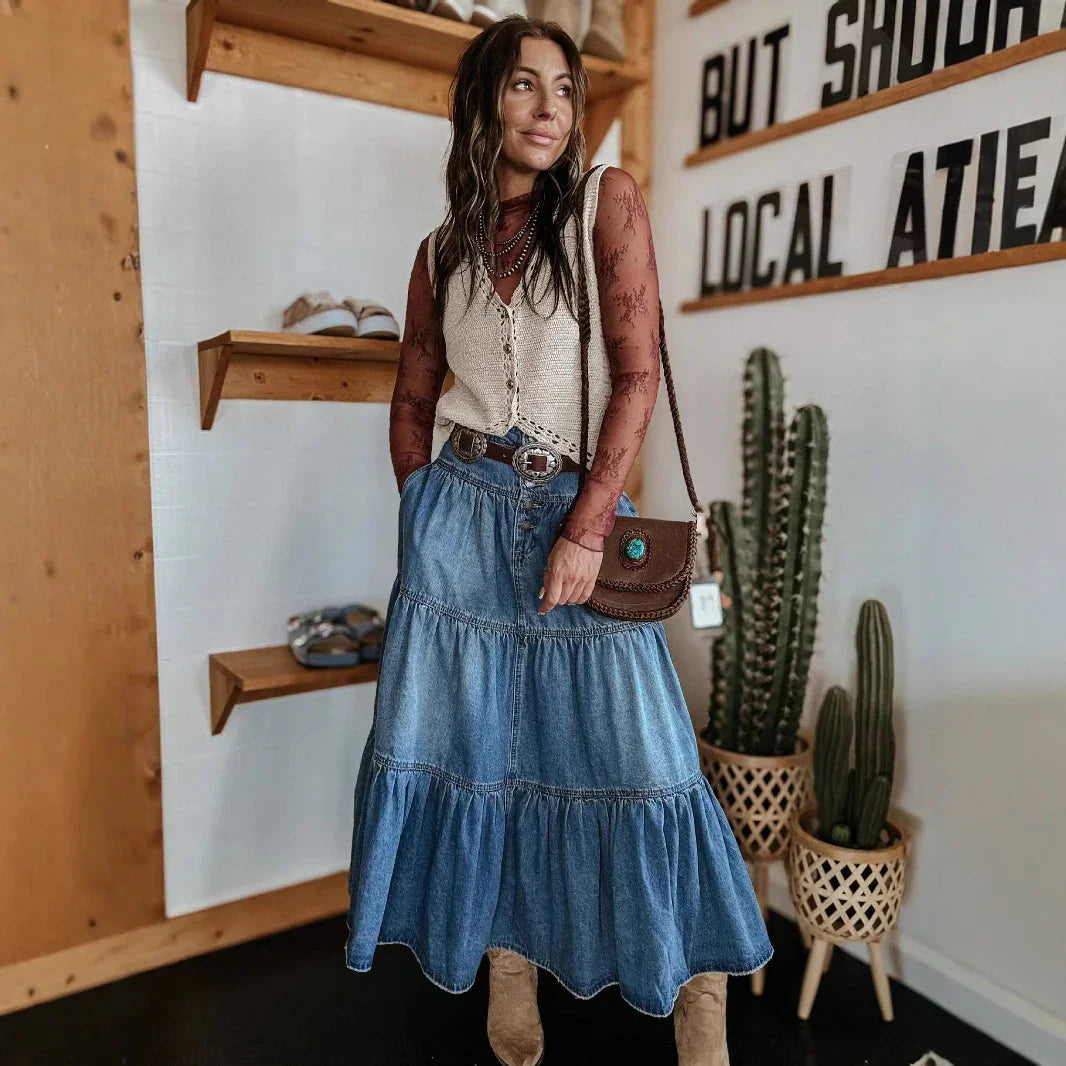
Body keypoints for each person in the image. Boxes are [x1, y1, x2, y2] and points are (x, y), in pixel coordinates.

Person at [344, 15, 772, 1066]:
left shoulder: (602, 205)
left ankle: (699, 997)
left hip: (570, 506)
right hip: (459, 518)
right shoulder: (440, 249)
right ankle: (509, 967)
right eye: (524, 85)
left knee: (647, 760)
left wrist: (585, 529)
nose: (550, 108)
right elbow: (411, 396)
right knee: (476, 757)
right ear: (482, 101)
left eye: (566, 88)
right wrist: (422, 509)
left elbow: (637, 376)